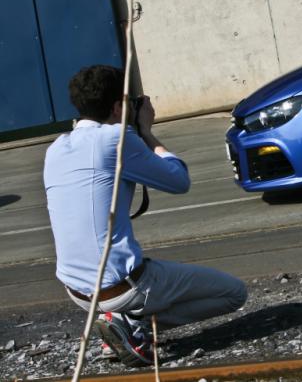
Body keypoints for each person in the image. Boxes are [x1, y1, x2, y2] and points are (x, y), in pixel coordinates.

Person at [44, 65, 247, 367]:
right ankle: (130, 327)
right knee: (234, 294)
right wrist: (147, 133)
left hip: (78, 292)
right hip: (122, 288)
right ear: (117, 107)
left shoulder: (56, 148)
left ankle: (117, 326)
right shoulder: (116, 139)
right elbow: (179, 181)